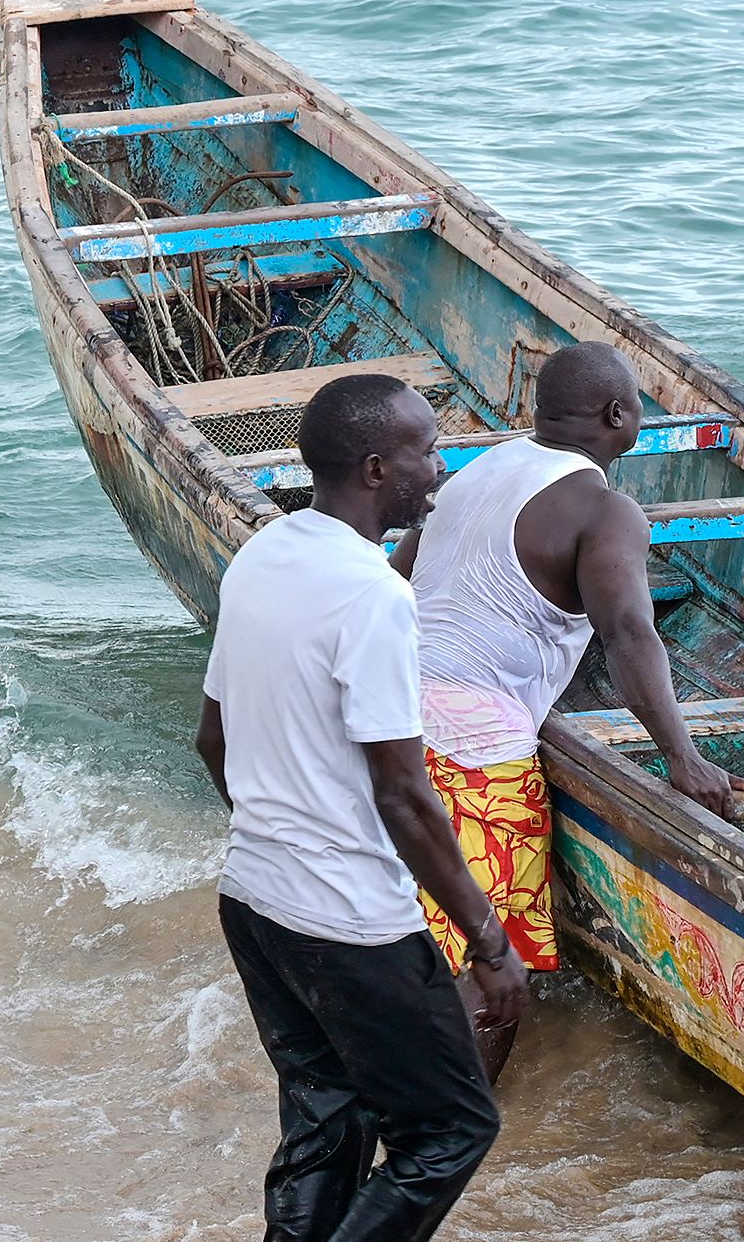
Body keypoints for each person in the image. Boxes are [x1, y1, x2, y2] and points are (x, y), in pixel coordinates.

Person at [195, 372, 521, 1242]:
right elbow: (405, 794)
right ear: (377, 469)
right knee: (450, 1131)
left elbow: (212, 741)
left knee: (327, 1123)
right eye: (426, 450)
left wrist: (280, 832)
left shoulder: (263, 554)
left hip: (253, 898)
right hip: (347, 921)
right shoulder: (376, 595)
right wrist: (489, 942)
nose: (440, 466)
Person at [391, 341, 744, 1076]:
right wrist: (682, 760)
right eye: (640, 404)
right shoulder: (605, 508)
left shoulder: (484, 468)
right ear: (617, 414)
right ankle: (448, 1137)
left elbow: (402, 572)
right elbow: (628, 633)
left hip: (391, 716)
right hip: (474, 751)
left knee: (415, 938)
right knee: (491, 974)